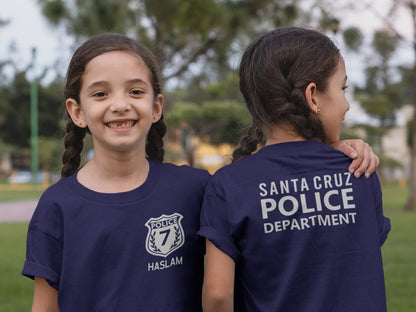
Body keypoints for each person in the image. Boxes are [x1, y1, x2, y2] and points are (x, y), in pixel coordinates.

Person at [199, 27, 390, 312]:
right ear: (312, 96)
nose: (347, 105)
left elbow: (217, 296)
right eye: (343, 88)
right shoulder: (359, 172)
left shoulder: (228, 184)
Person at [21, 33, 210, 311]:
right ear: (77, 112)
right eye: (100, 94)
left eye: (135, 91)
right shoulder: (56, 206)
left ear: (156, 106)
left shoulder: (195, 189)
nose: (120, 105)